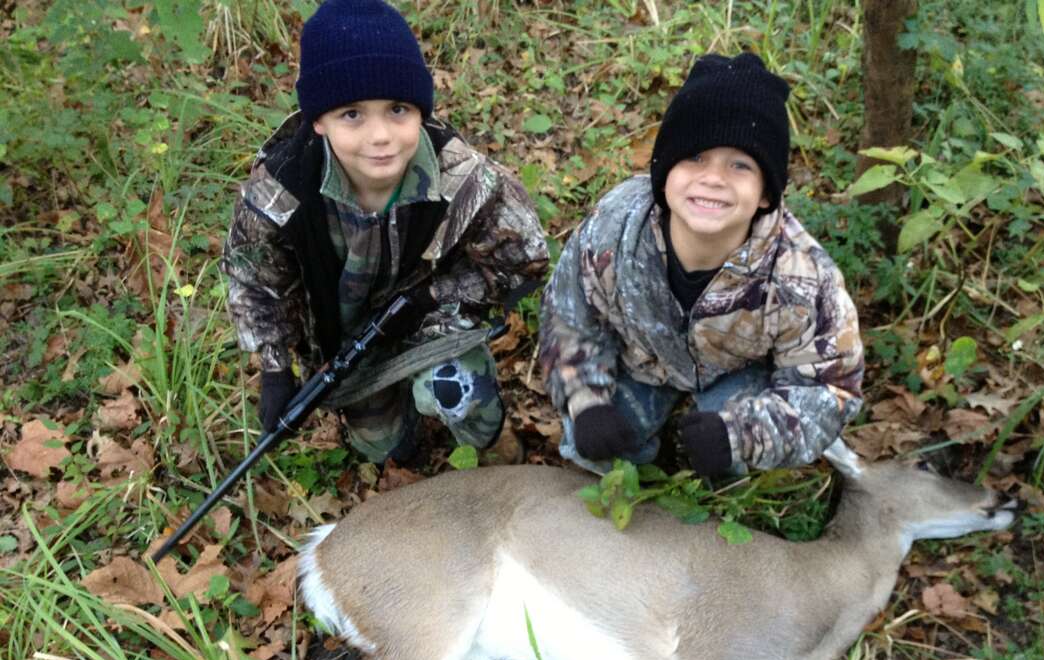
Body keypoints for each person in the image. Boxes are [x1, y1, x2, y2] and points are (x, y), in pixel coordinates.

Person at [223, 0, 547, 465]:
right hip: (349, 348)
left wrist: (430, 301)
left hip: (434, 325)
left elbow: (524, 258)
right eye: (351, 114)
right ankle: (404, 447)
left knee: (456, 389)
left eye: (397, 109)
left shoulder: (465, 178)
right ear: (319, 121)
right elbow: (255, 282)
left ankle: (495, 444)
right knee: (383, 448)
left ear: (420, 111)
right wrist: (276, 368)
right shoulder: (280, 191)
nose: (380, 136)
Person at [538, 52, 863, 477]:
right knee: (593, 449)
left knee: (731, 471)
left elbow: (830, 387)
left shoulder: (802, 276)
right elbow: (569, 315)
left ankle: (721, 462)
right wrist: (585, 400)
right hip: (642, 364)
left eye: (740, 165)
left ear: (766, 193)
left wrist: (741, 437)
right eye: (695, 157)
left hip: (737, 376)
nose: (713, 178)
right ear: (664, 171)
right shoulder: (614, 228)